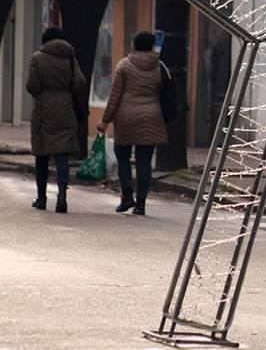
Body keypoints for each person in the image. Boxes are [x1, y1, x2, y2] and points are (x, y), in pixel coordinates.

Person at [97, 32, 168, 216]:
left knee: (122, 156)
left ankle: (127, 195)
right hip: (151, 116)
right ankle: (141, 203)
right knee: (144, 161)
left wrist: (105, 120)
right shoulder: (159, 66)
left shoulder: (124, 65)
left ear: (134, 45)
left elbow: (115, 97)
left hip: (126, 116)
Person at [26, 27, 87, 213]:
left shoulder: (38, 58)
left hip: (44, 108)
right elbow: (80, 82)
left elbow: (31, 85)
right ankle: (62, 195)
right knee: (62, 153)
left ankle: (41, 197)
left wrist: (43, 94)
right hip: (66, 108)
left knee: (42, 152)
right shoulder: (70, 58)